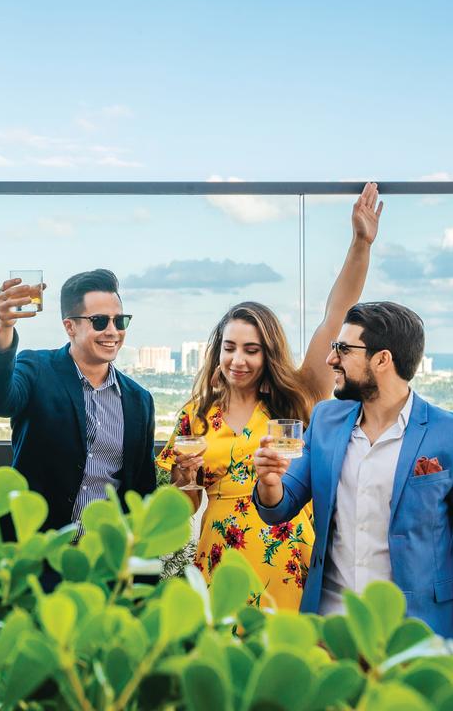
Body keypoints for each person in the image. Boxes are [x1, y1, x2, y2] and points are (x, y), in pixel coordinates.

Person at [156, 182, 383, 610]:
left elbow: (336, 314)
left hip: (290, 561)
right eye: (229, 347)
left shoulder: (298, 396)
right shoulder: (196, 416)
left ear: (269, 352)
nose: (237, 359)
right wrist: (183, 479)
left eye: (251, 349)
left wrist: (360, 244)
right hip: (221, 562)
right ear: (217, 349)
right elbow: (183, 506)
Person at [252, 301, 453, 665]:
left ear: (383, 359)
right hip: (331, 638)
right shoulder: (326, 420)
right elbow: (281, 505)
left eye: (343, 349)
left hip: (418, 642)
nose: (332, 360)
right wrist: (269, 482)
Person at [0, 268, 156, 538]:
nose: (112, 331)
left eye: (119, 321)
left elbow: (142, 492)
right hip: (37, 554)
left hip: (102, 561)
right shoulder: (37, 369)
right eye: (99, 321)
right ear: (69, 326)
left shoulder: (139, 401)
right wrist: (5, 328)